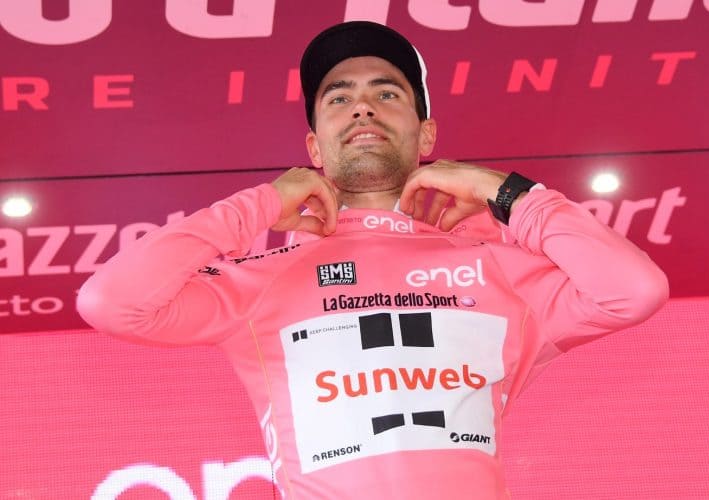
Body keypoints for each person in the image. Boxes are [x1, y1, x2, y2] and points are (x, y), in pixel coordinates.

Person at [77, 21, 669, 500]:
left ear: (426, 135)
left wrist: (500, 190)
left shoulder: (499, 269)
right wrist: (258, 205)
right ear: (314, 147)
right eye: (339, 98)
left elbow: (633, 290)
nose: (363, 108)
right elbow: (112, 303)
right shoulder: (263, 280)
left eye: (387, 94)